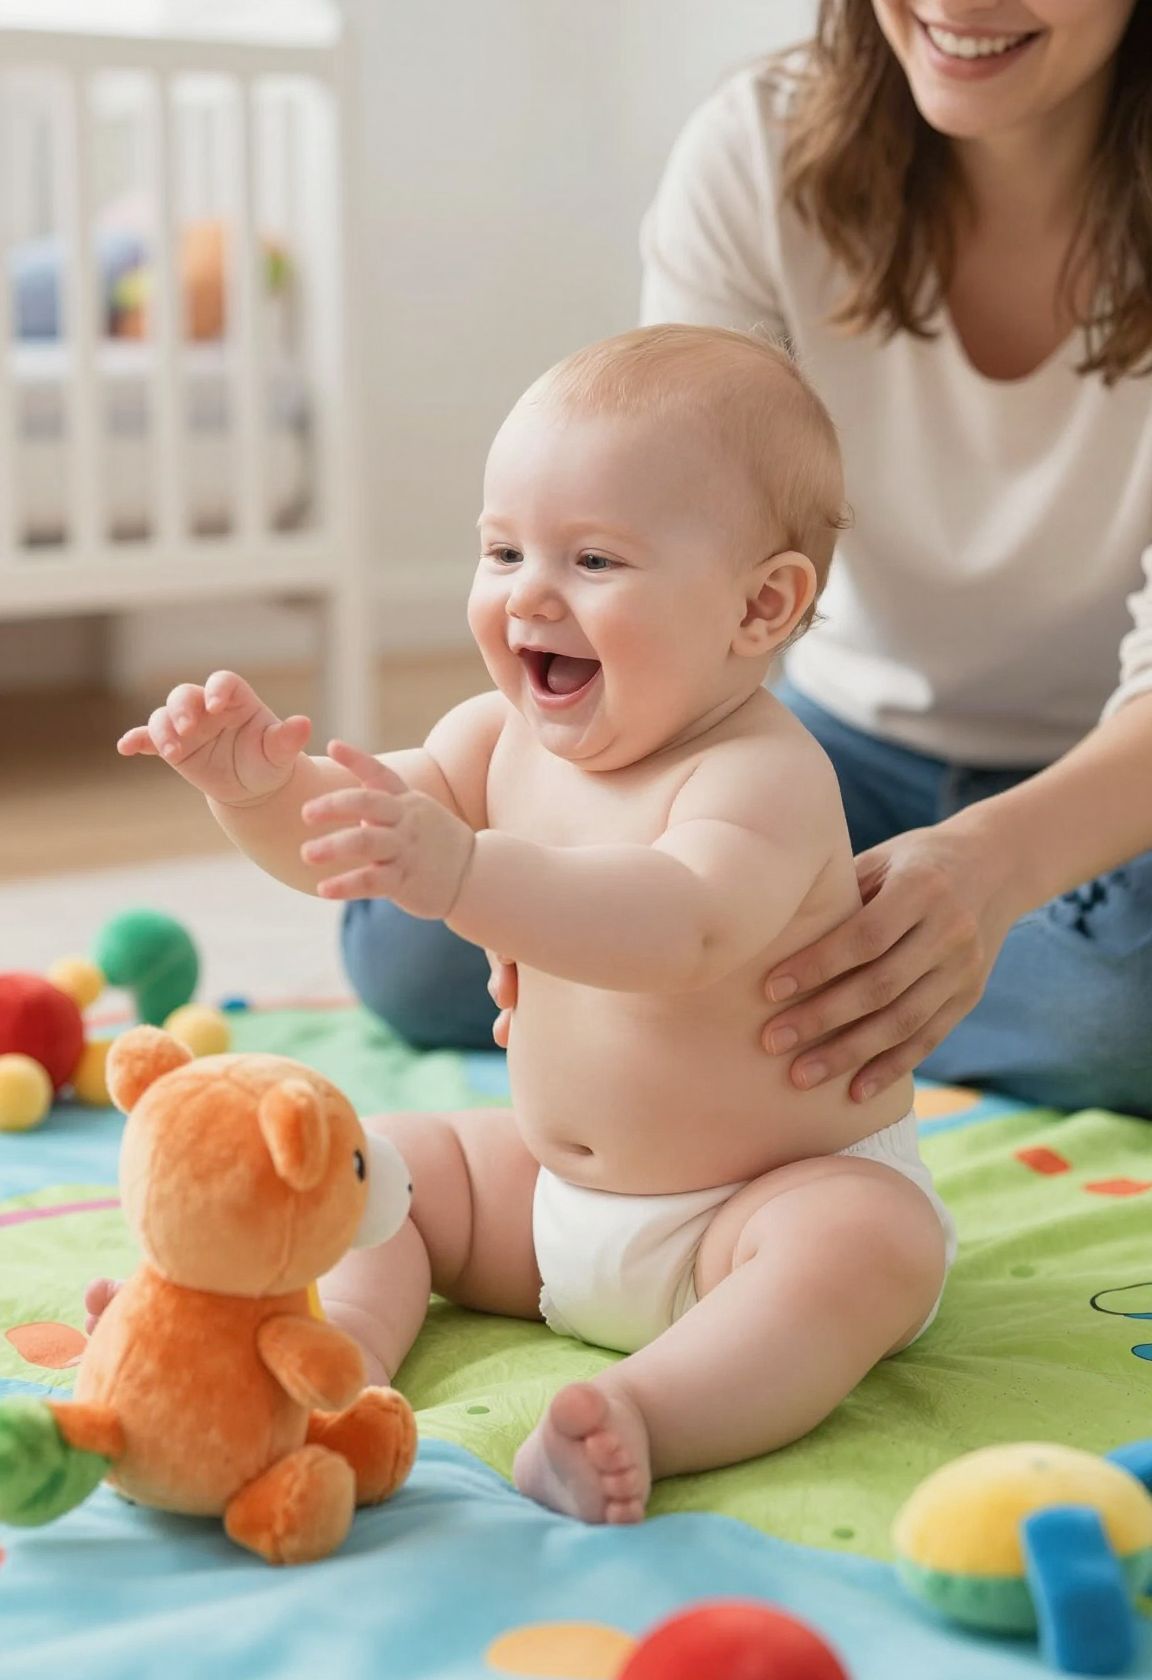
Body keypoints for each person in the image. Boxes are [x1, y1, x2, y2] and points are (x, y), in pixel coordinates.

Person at [95, 326, 955, 1524]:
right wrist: (252, 789)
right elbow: (341, 838)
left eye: (594, 559)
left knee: (869, 1246)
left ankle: (648, 1414)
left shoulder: (760, 774)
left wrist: (467, 873)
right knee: (396, 1160)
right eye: (502, 549)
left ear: (762, 606)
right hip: (544, 1202)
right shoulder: (490, 739)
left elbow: (682, 929)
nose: (528, 593)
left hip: (756, 1204)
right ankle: (328, 1358)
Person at [346, 0, 1152, 1117]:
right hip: (834, 746)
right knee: (405, 940)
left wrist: (993, 870)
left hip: (1113, 786)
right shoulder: (758, 153)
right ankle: (826, 981)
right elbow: (677, 543)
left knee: (1120, 1011)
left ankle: (762, 983)